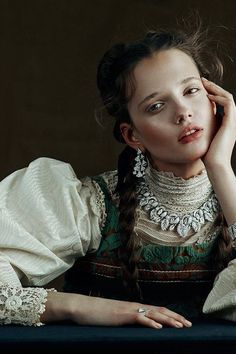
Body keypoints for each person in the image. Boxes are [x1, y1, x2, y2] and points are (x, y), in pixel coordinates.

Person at [0, 20, 236, 329]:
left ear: (215, 99)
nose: (183, 112)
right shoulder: (91, 204)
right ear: (132, 135)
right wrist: (76, 306)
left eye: (191, 91)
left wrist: (220, 169)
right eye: (156, 106)